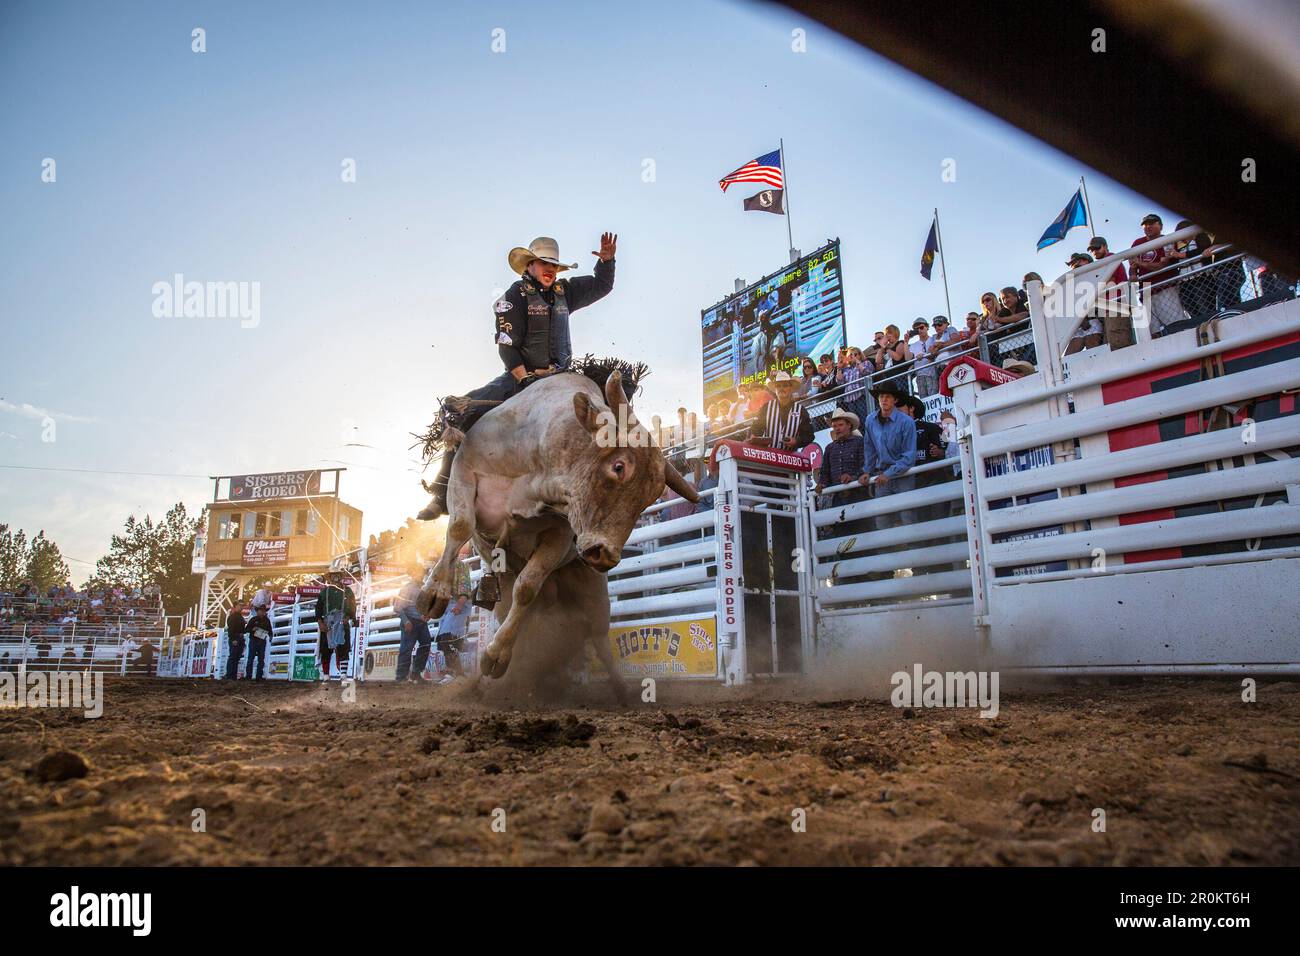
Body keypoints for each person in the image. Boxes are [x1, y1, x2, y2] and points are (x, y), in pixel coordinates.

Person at [420, 232, 618, 519]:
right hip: (518, 377)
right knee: (459, 411)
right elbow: (507, 346)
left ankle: (610, 481)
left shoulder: (566, 292)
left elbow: (602, 285)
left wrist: (608, 261)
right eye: (543, 263)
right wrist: (524, 378)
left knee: (619, 394)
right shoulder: (514, 296)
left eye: (553, 265)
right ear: (529, 266)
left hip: (560, 378)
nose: (550, 269)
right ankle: (441, 493)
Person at [859, 379, 918, 529]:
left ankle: (914, 549)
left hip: (902, 474)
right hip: (882, 474)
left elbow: (909, 456)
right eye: (881, 397)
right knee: (882, 518)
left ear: (895, 400)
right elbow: (869, 449)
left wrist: (888, 473)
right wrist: (867, 470)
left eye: (888, 397)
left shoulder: (907, 422)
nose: (883, 400)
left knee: (907, 515)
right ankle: (886, 549)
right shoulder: (870, 420)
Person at [814, 407, 866, 508]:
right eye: (834, 426)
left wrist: (853, 477)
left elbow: (866, 465)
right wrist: (822, 483)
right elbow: (825, 471)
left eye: (840, 425)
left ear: (849, 425)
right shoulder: (829, 448)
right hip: (837, 495)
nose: (837, 428)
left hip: (858, 492)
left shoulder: (859, 442)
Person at [749, 371, 814, 450]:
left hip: (790, 457)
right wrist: (753, 436)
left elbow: (809, 435)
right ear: (775, 389)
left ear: (790, 388)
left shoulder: (801, 410)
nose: (781, 388)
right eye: (778, 386)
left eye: (785, 385)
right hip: (770, 455)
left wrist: (796, 441)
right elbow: (756, 428)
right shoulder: (766, 408)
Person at [315, 572, 357, 679]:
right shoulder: (324, 592)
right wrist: (320, 622)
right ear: (330, 577)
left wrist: (349, 617)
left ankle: (343, 674)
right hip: (328, 621)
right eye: (333, 575)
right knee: (325, 649)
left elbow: (353, 605)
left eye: (337, 575)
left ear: (340, 577)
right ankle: (325, 675)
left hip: (343, 620)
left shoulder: (347, 591)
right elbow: (318, 608)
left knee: (344, 646)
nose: (335, 577)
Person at [394, 570, 433, 682]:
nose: (420, 574)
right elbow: (398, 607)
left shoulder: (423, 587)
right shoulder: (407, 588)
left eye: (421, 573)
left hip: (420, 621)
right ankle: (401, 677)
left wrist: (427, 614)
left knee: (426, 644)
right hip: (410, 620)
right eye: (418, 572)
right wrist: (406, 621)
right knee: (407, 648)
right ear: (413, 574)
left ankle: (416, 673)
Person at [435, 594, 471, 680]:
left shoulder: (460, 598)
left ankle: (453, 673)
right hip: (447, 628)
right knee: (450, 650)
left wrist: (458, 606)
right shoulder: (449, 600)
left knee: (450, 649)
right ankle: (458, 674)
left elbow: (464, 595)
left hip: (453, 629)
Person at [246, 604, 272, 681]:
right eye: (261, 610)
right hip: (254, 640)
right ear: (258, 611)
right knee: (251, 658)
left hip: (261, 640)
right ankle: (249, 676)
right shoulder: (253, 619)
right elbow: (247, 629)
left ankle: (259, 676)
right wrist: (252, 629)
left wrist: (270, 635)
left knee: (261, 659)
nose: (262, 612)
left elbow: (269, 630)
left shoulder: (267, 620)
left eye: (263, 610)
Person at [224, 600, 246, 681]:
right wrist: (233, 639)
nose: (241, 607)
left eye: (242, 605)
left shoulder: (239, 617)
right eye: (240, 605)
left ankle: (233, 676)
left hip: (239, 637)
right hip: (236, 637)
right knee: (233, 657)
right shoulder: (233, 617)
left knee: (236, 657)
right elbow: (231, 629)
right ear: (235, 606)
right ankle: (229, 675)